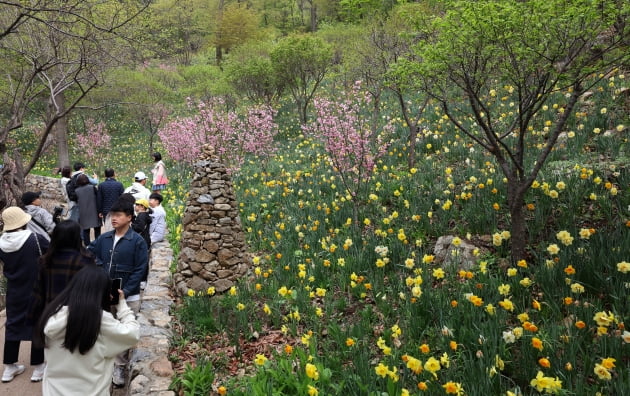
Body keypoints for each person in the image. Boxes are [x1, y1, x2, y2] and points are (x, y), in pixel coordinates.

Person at [34, 265, 139, 395]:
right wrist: (122, 305)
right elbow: (132, 334)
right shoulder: (101, 321)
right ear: (104, 293)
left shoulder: (52, 315)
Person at [87, 199, 148, 387]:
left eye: (118, 215)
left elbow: (140, 269)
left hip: (128, 296)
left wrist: (126, 290)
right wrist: (98, 270)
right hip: (104, 292)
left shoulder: (137, 241)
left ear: (129, 217)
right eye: (112, 215)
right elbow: (89, 253)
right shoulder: (104, 238)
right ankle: (103, 365)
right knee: (103, 328)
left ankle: (120, 366)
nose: (113, 218)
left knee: (122, 333)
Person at [0, 207, 49, 383]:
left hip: (14, 290)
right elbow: (50, 252)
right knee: (37, 324)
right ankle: (38, 368)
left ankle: (9, 367)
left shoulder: (1, 242)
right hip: (35, 288)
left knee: (13, 325)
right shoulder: (34, 238)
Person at [30, 220, 96, 324]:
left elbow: (38, 291)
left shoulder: (46, 260)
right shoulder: (85, 260)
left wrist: (33, 318)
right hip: (77, 316)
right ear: (77, 237)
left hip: (50, 315)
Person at [75, 174, 101, 245]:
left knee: (86, 231)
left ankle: (87, 246)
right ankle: (97, 244)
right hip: (94, 211)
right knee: (97, 230)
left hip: (83, 212)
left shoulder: (77, 191)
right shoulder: (92, 187)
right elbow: (98, 198)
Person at [97, 168, 124, 233]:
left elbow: (99, 199)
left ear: (105, 175)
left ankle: (109, 241)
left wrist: (100, 211)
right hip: (117, 209)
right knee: (118, 226)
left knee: (108, 227)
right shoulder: (119, 184)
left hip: (106, 211)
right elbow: (122, 198)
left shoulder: (101, 185)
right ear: (114, 174)